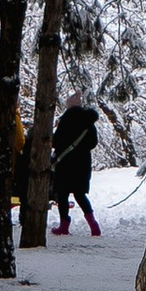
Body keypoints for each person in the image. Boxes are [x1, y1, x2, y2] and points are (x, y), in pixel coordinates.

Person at [49, 92, 100, 237]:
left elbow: (56, 142)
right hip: (82, 163)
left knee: (63, 194)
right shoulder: (88, 121)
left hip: (65, 163)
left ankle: (64, 226)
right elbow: (93, 142)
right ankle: (93, 225)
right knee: (80, 194)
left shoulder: (66, 119)